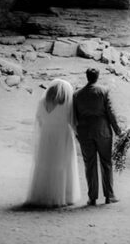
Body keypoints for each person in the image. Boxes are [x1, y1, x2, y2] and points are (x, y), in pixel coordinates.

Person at [26, 78, 84, 207]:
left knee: (45, 164)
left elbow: (39, 120)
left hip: (46, 137)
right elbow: (73, 122)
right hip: (62, 136)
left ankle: (41, 195)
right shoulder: (66, 104)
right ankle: (62, 195)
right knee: (62, 165)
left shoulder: (42, 102)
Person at [73, 67, 123, 206]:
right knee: (106, 163)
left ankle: (92, 198)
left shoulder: (77, 94)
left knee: (89, 164)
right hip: (103, 131)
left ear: (86, 76)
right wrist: (118, 130)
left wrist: (77, 133)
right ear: (97, 76)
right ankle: (109, 196)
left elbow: (74, 116)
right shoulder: (104, 91)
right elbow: (111, 112)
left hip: (85, 132)